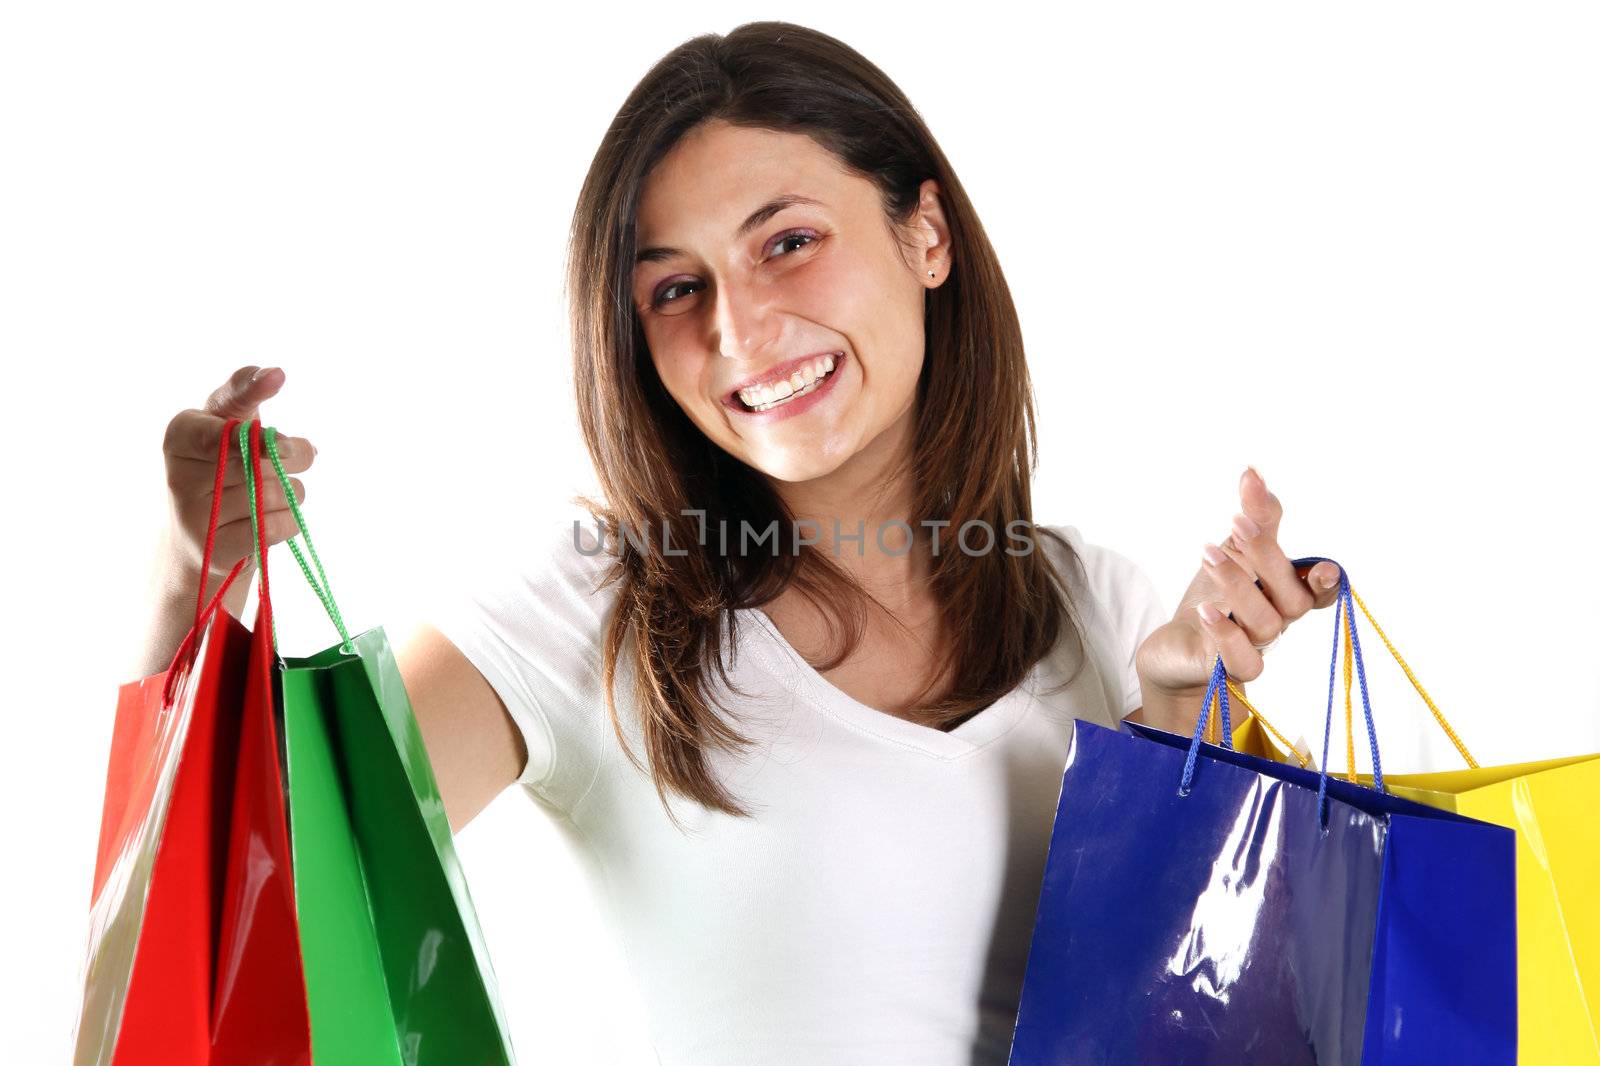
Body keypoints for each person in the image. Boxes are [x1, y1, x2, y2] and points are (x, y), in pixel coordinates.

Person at [140, 20, 1344, 1066]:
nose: (741, 329)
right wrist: (188, 579)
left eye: (786, 243)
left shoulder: (1100, 604)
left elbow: (1201, 1018)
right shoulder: (592, 610)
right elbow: (232, 924)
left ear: (927, 235)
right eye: (675, 289)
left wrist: (1185, 728)